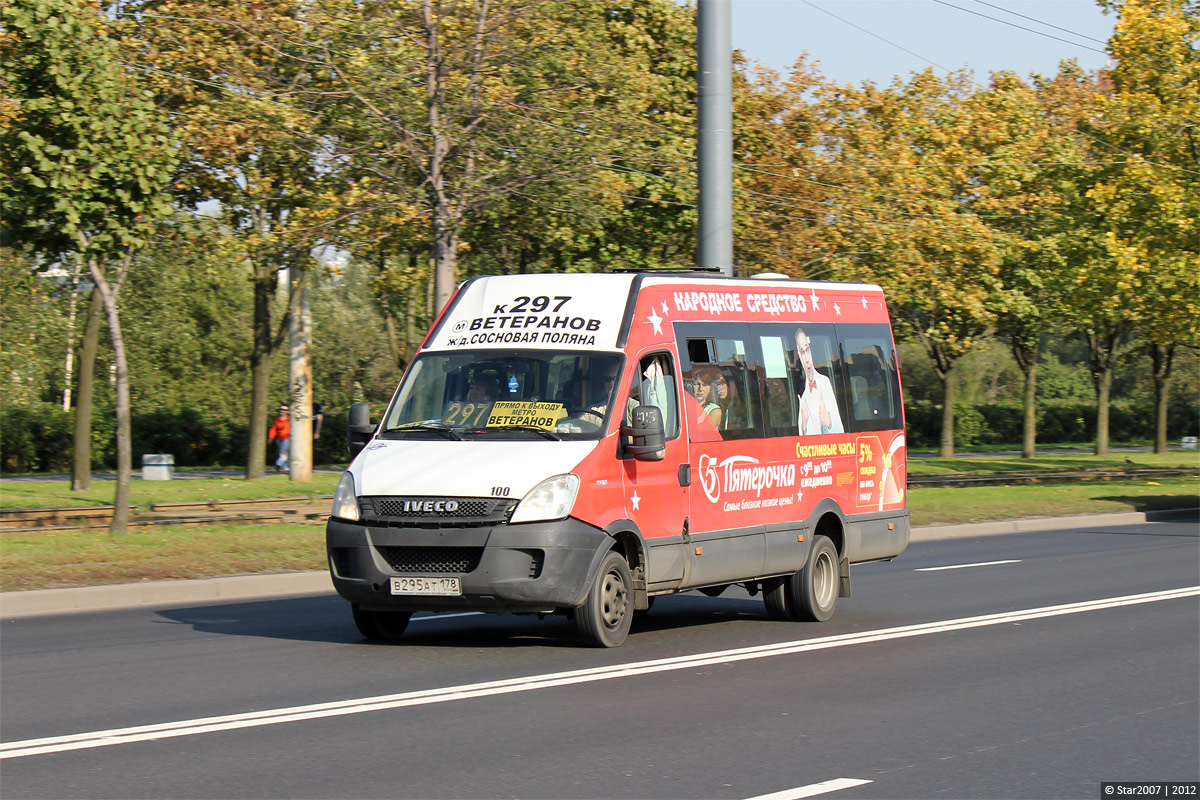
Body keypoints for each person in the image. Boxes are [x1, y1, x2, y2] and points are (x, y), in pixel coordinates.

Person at [795, 327, 843, 435]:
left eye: (807, 350)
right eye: (802, 352)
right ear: (799, 355)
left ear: (810, 351)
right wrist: (804, 424)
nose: (806, 359)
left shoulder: (825, 382)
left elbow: (840, 431)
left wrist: (829, 422)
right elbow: (801, 442)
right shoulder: (803, 397)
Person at [267, 404, 290, 472]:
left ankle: (278, 464)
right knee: (283, 453)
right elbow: (273, 429)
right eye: (281, 409)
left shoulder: (290, 420)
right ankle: (286, 468)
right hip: (279, 439)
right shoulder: (277, 420)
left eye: (284, 410)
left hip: (287, 438)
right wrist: (270, 438)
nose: (282, 411)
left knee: (283, 452)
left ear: (287, 411)